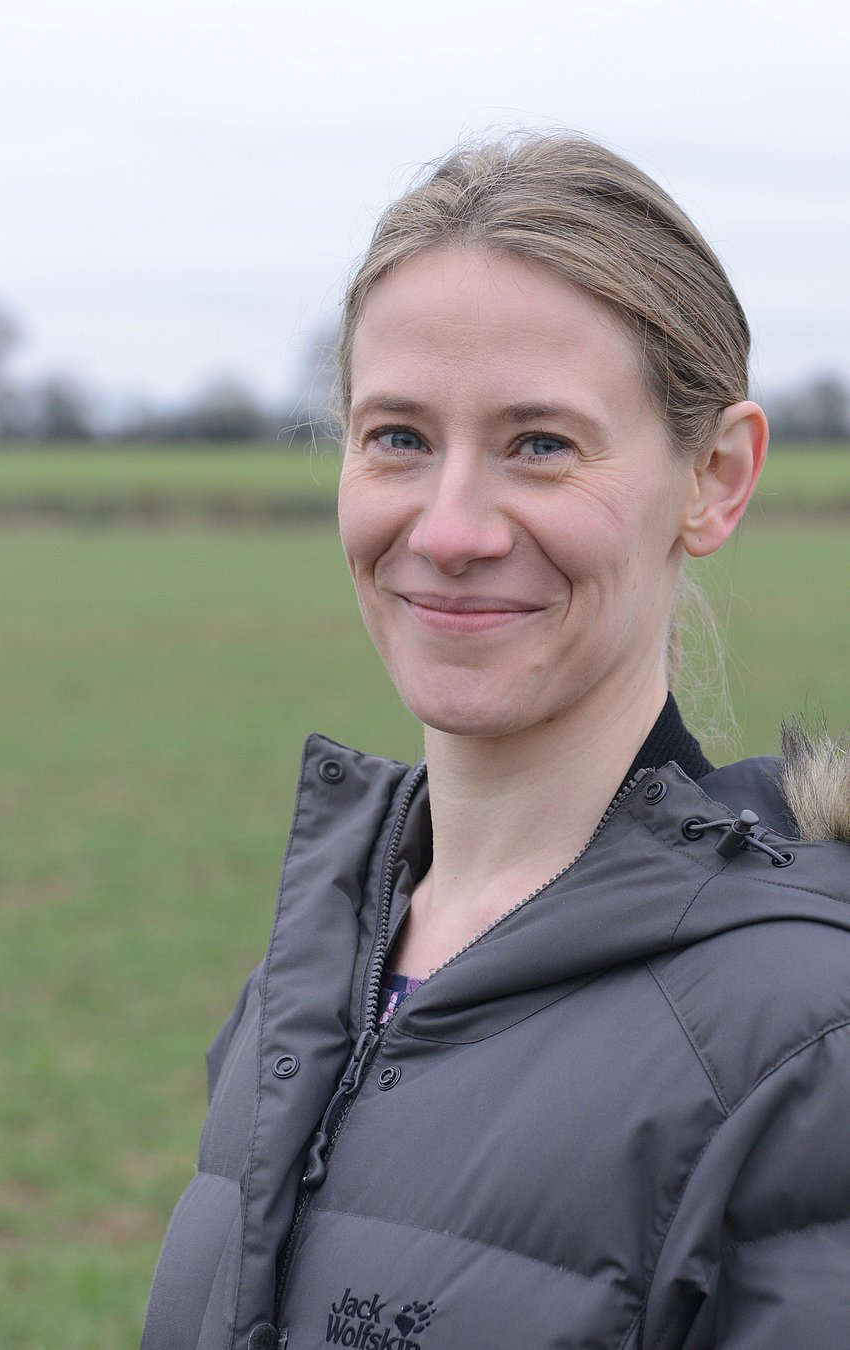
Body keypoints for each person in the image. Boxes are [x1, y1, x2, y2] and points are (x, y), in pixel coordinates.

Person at [141, 135, 850, 1350]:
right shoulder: (317, 970)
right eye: (400, 438)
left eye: (541, 444)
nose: (452, 528)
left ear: (715, 480)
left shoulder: (805, 1039)